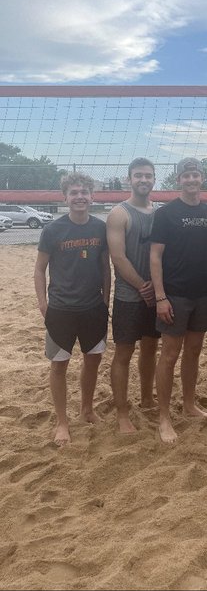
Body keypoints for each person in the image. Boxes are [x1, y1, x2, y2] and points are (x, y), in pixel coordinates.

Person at [33, 172, 111, 447]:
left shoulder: (100, 228)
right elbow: (40, 269)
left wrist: (105, 301)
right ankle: (62, 422)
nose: (80, 197)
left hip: (93, 307)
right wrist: (43, 303)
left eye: (84, 192)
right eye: (74, 192)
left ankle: (86, 409)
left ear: (92, 196)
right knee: (59, 364)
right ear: (65, 197)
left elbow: (105, 268)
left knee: (93, 360)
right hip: (62, 308)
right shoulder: (53, 230)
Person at [150, 157, 207, 444]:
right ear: (178, 180)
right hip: (174, 294)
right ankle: (164, 417)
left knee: (194, 352)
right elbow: (155, 257)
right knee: (170, 354)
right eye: (186, 175)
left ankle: (188, 404)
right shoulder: (166, 213)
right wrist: (160, 297)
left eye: (195, 175)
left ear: (202, 179)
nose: (191, 180)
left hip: (202, 293)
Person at [107, 158, 158, 434]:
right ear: (129, 179)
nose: (143, 180)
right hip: (129, 295)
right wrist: (142, 285)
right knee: (124, 353)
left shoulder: (158, 212)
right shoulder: (119, 213)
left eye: (148, 175)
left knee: (150, 349)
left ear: (154, 179)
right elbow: (118, 257)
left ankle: (148, 398)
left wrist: (156, 289)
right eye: (138, 175)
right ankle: (122, 412)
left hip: (154, 295)